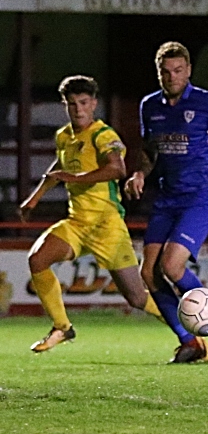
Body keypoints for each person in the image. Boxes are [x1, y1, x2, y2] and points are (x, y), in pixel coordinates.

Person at [124, 41, 208, 364]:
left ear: (188, 71)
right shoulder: (150, 106)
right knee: (149, 274)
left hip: (201, 197)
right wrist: (140, 173)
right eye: (166, 71)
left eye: (178, 70)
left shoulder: (206, 103)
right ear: (159, 73)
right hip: (167, 196)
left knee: (171, 266)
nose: (172, 77)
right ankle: (190, 342)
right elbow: (150, 149)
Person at [18, 75, 163, 352]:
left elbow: (117, 169)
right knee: (38, 259)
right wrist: (34, 198)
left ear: (93, 103)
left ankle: (191, 331)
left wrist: (73, 178)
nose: (78, 109)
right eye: (72, 104)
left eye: (83, 103)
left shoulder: (103, 134)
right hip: (77, 222)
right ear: (66, 106)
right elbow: (58, 168)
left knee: (135, 297)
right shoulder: (63, 136)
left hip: (107, 225)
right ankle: (62, 327)